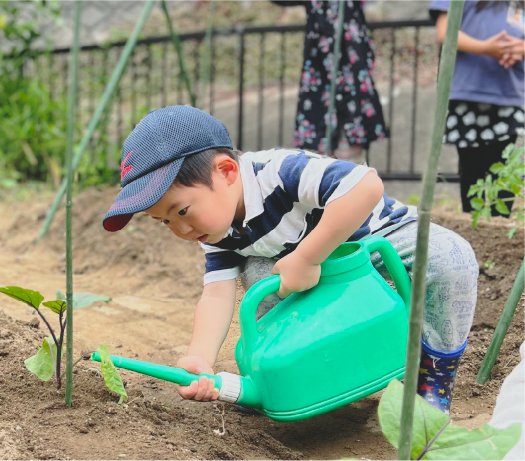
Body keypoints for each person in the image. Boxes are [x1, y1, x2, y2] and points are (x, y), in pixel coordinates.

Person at [102, 105, 478, 414]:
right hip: (304, 273)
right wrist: (199, 358)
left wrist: (309, 255)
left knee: (450, 258)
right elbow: (216, 295)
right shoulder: (214, 231)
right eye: (164, 221)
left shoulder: (280, 171)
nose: (179, 229)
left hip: (372, 237)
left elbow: (366, 185)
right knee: (259, 274)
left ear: (227, 171)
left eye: (181, 210)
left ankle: (433, 373)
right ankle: (303, 369)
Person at [429, 0, 525, 217]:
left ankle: (499, 224)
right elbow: (444, 33)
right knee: (472, 168)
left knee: (503, 166)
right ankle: (475, 225)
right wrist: (486, 48)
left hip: (507, 93)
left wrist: (519, 48)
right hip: (467, 93)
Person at [273, 1, 389, 165]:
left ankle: (353, 184)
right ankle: (328, 184)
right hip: (319, 75)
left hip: (351, 71)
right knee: (319, 156)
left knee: (350, 155)